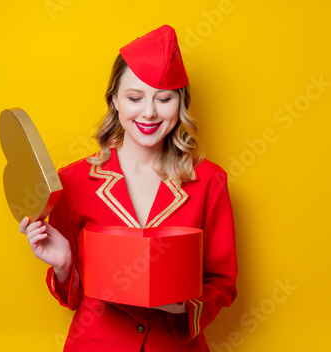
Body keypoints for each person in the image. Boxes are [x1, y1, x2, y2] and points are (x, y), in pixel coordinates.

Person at [19, 24, 238, 352]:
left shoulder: (209, 181)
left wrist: (182, 306)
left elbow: (222, 283)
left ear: (181, 104)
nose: (149, 112)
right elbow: (71, 297)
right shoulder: (73, 180)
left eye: (164, 99)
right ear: (115, 101)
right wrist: (64, 265)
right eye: (135, 97)